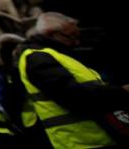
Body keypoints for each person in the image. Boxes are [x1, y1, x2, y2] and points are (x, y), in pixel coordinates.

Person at [17, 12, 129, 148]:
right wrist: (122, 92)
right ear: (52, 34)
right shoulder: (38, 58)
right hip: (80, 141)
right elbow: (76, 97)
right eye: (72, 36)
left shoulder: (56, 55)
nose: (77, 42)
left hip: (95, 136)